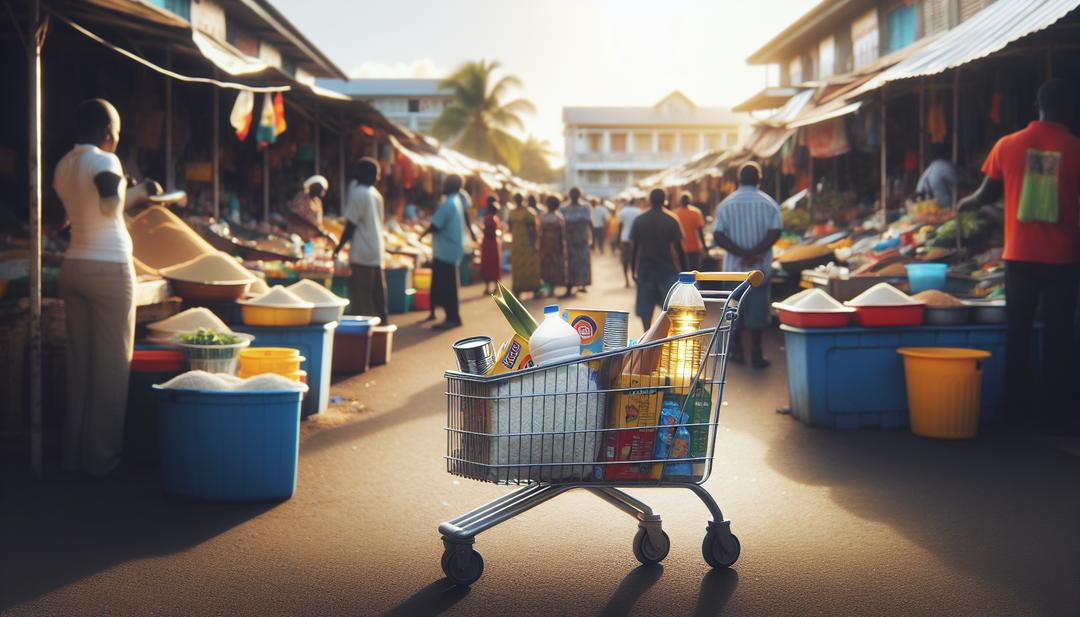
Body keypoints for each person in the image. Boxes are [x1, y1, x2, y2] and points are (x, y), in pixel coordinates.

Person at [956, 79, 1080, 432]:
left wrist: (965, 204)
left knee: (1019, 333)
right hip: (1064, 258)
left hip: (1020, 257)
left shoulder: (1008, 145)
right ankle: (1057, 414)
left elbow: (983, 196)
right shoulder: (1076, 149)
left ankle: (1016, 413)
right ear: (1070, 109)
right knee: (1059, 335)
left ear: (1036, 105)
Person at [54, 98, 160, 476]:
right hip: (108, 269)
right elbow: (110, 201)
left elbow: (63, 220)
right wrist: (135, 191)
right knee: (112, 368)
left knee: (80, 366)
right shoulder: (106, 160)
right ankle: (101, 463)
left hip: (74, 267)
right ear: (108, 133)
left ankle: (73, 457)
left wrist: (130, 190)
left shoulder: (64, 165)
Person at [712, 162, 782, 369]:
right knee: (758, 312)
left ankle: (736, 351)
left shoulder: (726, 204)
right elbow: (775, 232)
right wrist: (754, 253)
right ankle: (756, 353)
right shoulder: (769, 204)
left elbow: (718, 234)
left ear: (738, 180)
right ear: (759, 179)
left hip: (733, 270)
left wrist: (741, 253)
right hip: (760, 270)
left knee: (734, 311)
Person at [334, 158, 388, 324]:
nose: (378, 178)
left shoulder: (359, 193)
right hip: (376, 249)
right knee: (377, 294)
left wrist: (338, 247)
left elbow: (351, 224)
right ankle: (382, 325)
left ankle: (366, 330)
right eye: (377, 174)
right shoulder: (376, 195)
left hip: (362, 250)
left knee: (362, 297)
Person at [420, 174, 476, 329]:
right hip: (451, 250)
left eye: (445, 184)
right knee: (447, 285)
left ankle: (452, 319)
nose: (442, 186)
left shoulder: (449, 203)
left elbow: (435, 225)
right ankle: (451, 316)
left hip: (445, 251)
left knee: (447, 286)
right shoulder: (456, 201)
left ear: (451, 186)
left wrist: (421, 235)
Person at [630, 188, 686, 330]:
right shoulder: (671, 219)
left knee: (645, 309)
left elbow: (635, 248)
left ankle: (647, 335)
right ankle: (662, 337)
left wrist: (632, 269)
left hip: (645, 268)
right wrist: (686, 271)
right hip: (666, 268)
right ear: (665, 200)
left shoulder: (639, 220)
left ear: (649, 200)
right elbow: (679, 250)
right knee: (668, 308)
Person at [509, 193, 541, 296]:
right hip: (521, 243)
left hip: (523, 243)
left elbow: (533, 230)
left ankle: (528, 289)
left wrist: (534, 243)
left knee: (525, 266)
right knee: (524, 266)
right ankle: (523, 289)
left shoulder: (517, 213)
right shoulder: (526, 212)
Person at [562, 187, 592, 294]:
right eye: (573, 194)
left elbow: (589, 223)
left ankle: (582, 284)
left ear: (579, 195)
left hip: (582, 239)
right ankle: (569, 286)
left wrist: (591, 238)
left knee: (583, 262)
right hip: (569, 240)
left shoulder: (585, 207)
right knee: (570, 264)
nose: (574, 196)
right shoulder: (564, 208)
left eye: (576, 194)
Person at [539, 195, 569, 297]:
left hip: (546, 245)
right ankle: (552, 289)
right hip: (556, 246)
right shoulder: (559, 217)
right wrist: (563, 247)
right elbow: (562, 235)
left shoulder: (543, 217)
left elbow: (541, 233)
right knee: (555, 267)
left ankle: (548, 289)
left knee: (546, 267)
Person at [674, 192, 707, 271]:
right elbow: (700, 232)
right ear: (690, 201)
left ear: (680, 201)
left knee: (683, 271)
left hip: (681, 248)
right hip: (694, 247)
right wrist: (704, 247)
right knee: (695, 271)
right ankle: (696, 284)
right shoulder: (696, 212)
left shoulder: (675, 214)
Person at [617, 198, 644, 287]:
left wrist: (618, 240)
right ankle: (635, 278)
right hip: (637, 239)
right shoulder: (638, 211)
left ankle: (627, 280)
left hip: (625, 238)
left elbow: (620, 226)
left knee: (625, 260)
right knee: (637, 259)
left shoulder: (623, 211)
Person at [480, 195, 503, 294]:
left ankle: (491, 287)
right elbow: (490, 231)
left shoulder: (488, 216)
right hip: (492, 243)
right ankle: (493, 287)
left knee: (489, 264)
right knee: (493, 264)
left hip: (489, 243)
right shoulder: (491, 217)